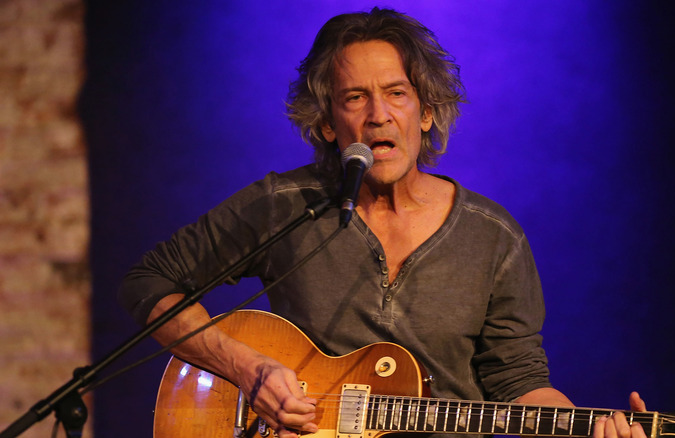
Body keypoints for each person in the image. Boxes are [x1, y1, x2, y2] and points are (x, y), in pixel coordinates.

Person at [119, 7, 647, 438]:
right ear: (328, 123)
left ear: (426, 113)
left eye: (397, 93)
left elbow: (518, 379)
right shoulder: (287, 205)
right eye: (355, 97)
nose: (379, 115)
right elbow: (149, 283)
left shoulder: (493, 237)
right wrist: (247, 369)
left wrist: (591, 427)